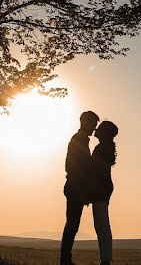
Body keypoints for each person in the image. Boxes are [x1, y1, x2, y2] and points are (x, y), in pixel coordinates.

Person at [60, 110, 100, 265]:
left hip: (75, 188)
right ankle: (64, 260)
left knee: (72, 225)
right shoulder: (79, 140)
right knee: (72, 225)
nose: (94, 129)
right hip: (75, 189)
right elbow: (71, 166)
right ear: (85, 122)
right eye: (93, 125)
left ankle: (65, 259)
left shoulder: (80, 139)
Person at [90, 120, 118, 265]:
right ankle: (106, 258)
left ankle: (106, 260)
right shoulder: (104, 148)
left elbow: (95, 170)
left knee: (101, 225)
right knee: (102, 225)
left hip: (101, 188)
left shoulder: (101, 148)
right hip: (103, 188)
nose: (96, 129)